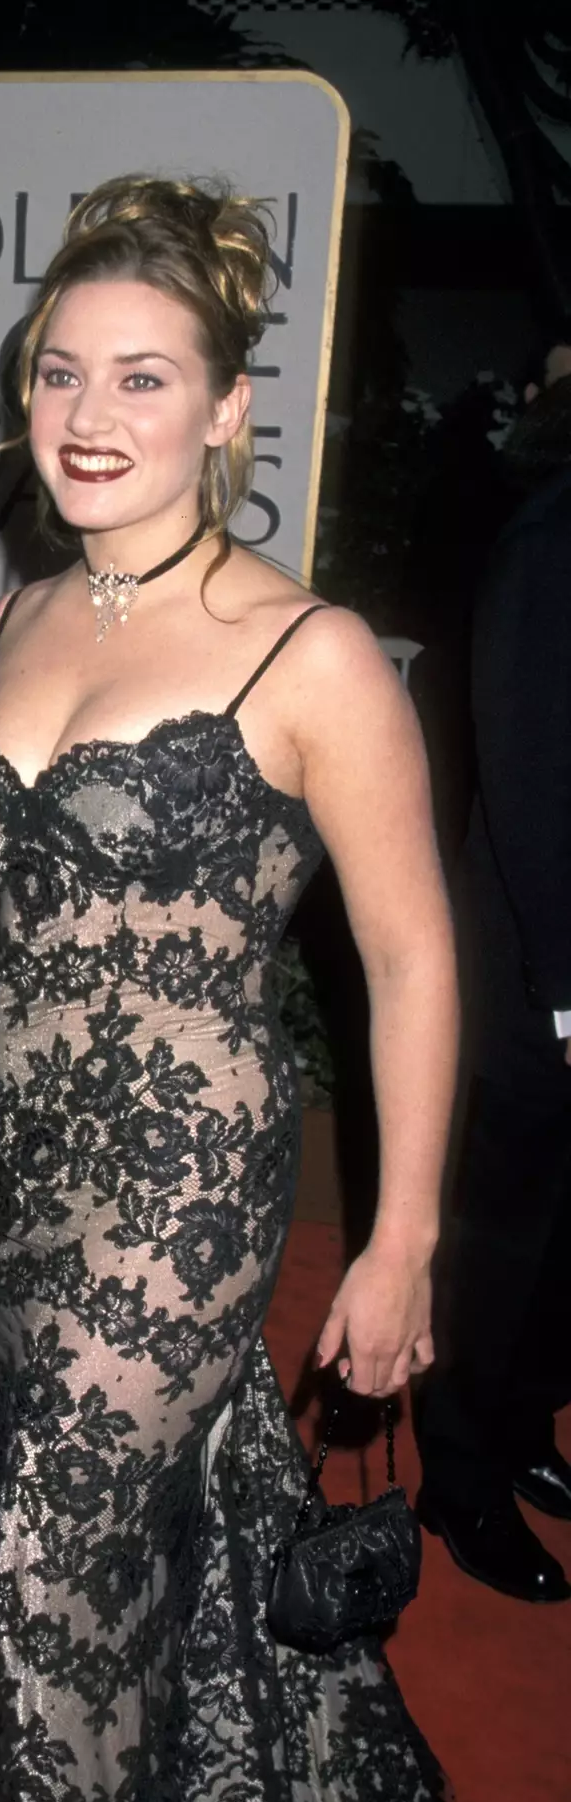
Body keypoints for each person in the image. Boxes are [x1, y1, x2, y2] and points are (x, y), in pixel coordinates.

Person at [0, 177, 571, 1802]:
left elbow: (412, 951)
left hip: (175, 1200)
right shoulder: (20, 608)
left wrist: (409, 1235)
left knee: (54, 1563)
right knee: (85, 1552)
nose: (93, 409)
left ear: (226, 412)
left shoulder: (311, 653)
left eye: (146, 376)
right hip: (7, 1178)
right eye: (63, 372)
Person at [415, 367, 571, 1601]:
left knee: (562, 1236)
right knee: (502, 1237)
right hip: (538, 968)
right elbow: (528, 776)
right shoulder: (550, 533)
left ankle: (524, 1431)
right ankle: (458, 1474)